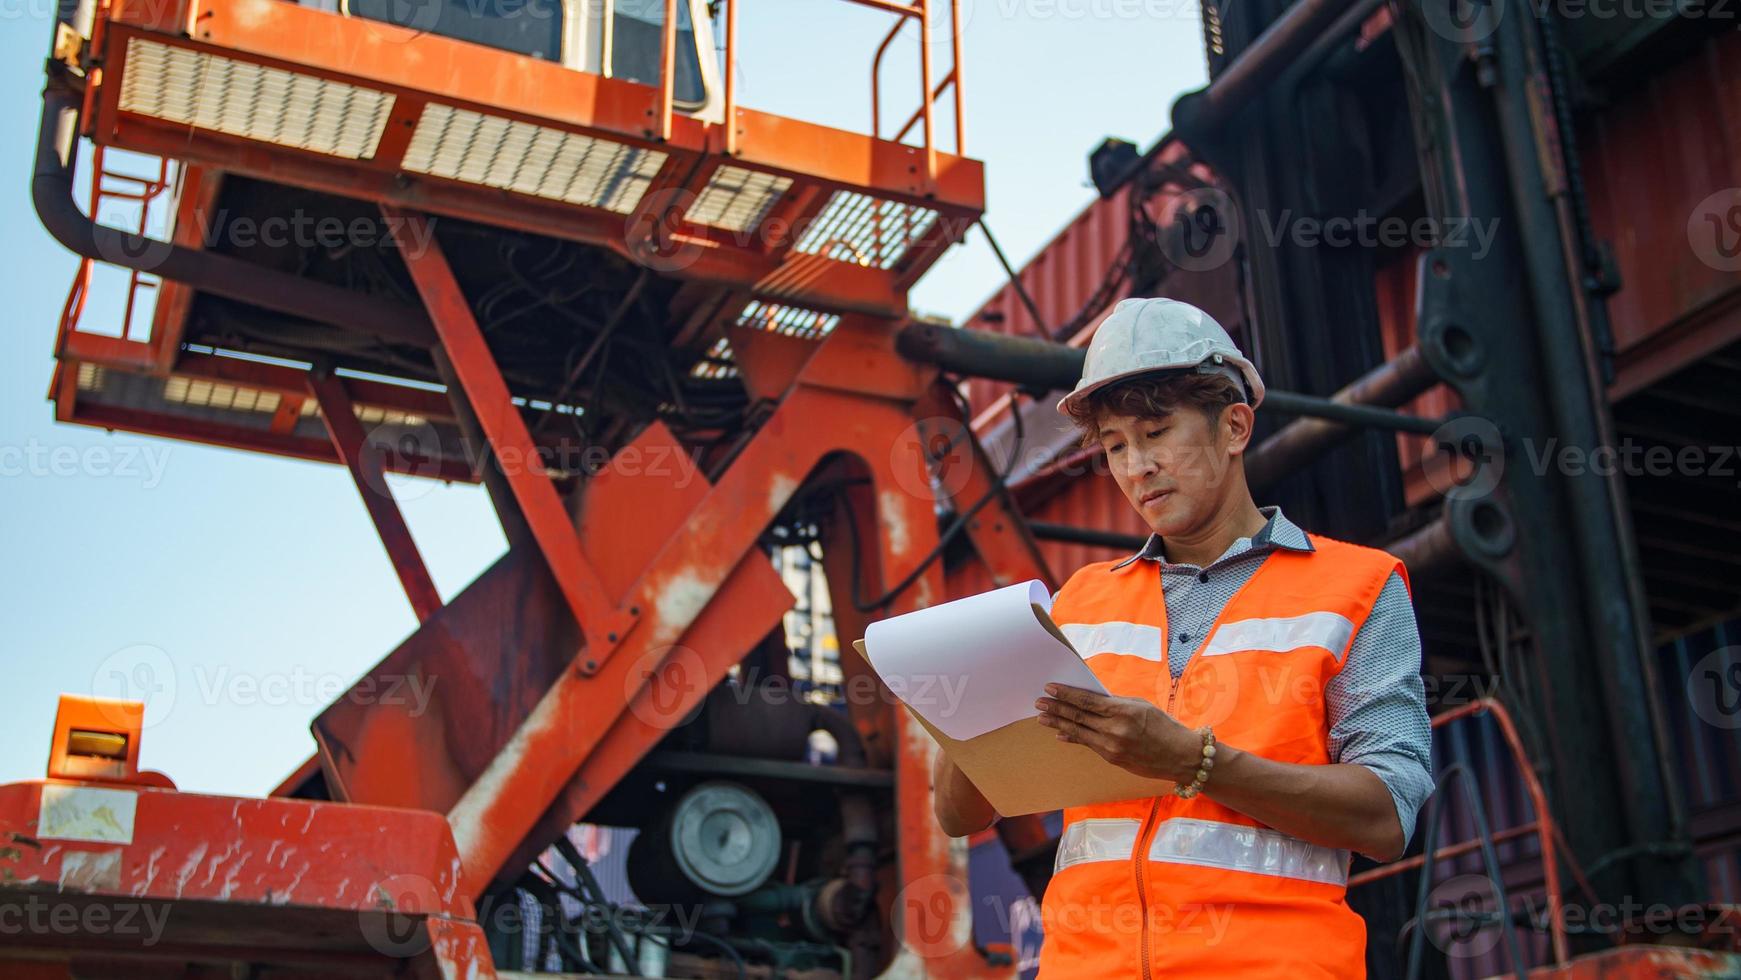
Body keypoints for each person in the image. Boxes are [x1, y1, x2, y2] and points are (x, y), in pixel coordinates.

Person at [930, 297, 1433, 978]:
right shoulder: (1079, 604)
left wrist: (1192, 762)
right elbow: (961, 814)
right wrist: (957, 715)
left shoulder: (1357, 589)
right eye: (1114, 446)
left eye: (1155, 432)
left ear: (1232, 427)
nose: (1135, 466)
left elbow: (1385, 819)